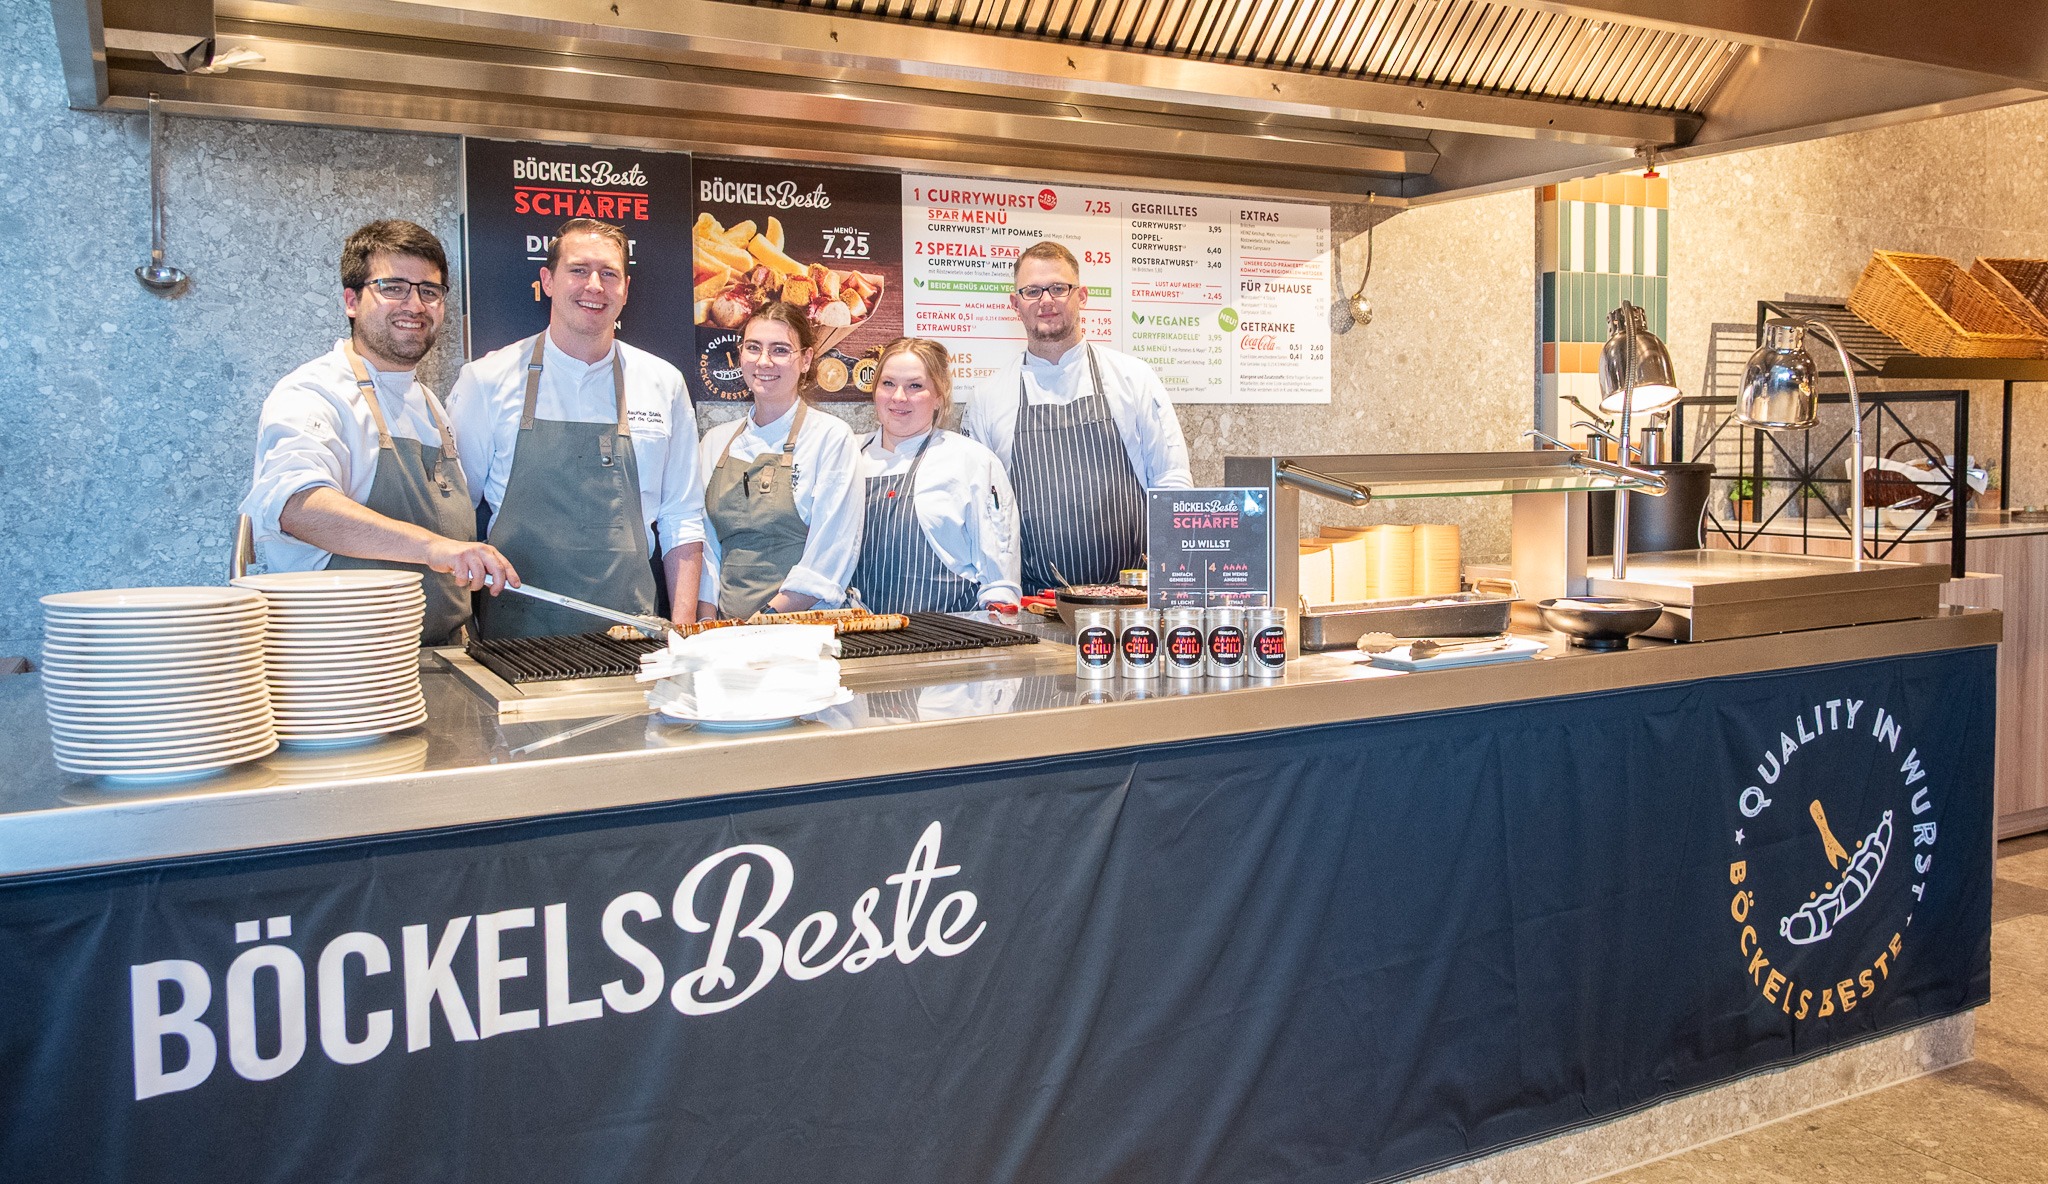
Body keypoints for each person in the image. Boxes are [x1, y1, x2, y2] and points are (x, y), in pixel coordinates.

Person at [240, 219, 514, 645]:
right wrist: (433, 548)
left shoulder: (432, 406)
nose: (415, 305)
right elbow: (298, 506)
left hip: (441, 653)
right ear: (351, 301)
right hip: (341, 657)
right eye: (393, 288)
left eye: (429, 291)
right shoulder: (314, 391)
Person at [446, 217, 705, 639]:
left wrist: (682, 633)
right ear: (548, 280)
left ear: (626, 289)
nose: (594, 286)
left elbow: (683, 517)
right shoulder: (487, 380)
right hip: (514, 636)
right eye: (579, 270)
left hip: (632, 634)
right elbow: (455, 516)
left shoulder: (663, 382)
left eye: (609, 274)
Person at [965, 240, 1192, 592]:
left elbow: (1171, 481)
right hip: (1035, 601)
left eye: (1058, 288)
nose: (1046, 300)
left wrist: (1173, 581)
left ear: (1081, 296)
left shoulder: (1133, 377)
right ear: (1015, 304)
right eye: (1032, 291)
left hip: (1132, 600)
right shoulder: (988, 397)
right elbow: (983, 513)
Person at [697, 304, 864, 620]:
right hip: (725, 629)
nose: (764, 361)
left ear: (806, 359)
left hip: (805, 627)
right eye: (753, 348)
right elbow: (706, 550)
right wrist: (706, 623)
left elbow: (830, 553)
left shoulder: (831, 437)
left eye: (780, 350)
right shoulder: (715, 443)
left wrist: (762, 621)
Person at [848, 338, 1020, 614]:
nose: (898, 397)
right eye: (888, 383)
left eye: (915, 386)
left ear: (940, 395)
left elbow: (999, 580)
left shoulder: (971, 460)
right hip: (859, 631)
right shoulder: (848, 456)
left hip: (947, 633)